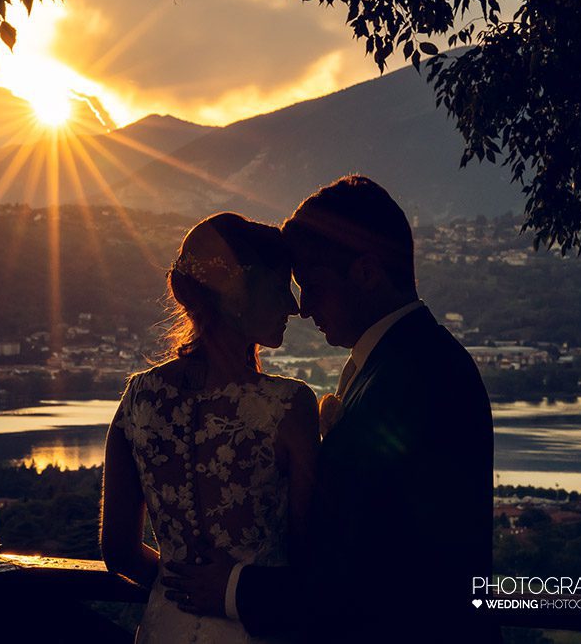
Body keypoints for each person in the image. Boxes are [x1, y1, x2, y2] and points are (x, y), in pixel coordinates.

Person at [163, 175, 497, 642]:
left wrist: (234, 588)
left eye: (313, 285)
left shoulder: (415, 379)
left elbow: (376, 575)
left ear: (366, 273)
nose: (302, 308)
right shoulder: (403, 363)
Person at [101, 212, 320, 643]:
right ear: (239, 293)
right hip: (258, 629)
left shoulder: (139, 399)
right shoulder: (288, 406)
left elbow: (119, 552)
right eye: (280, 287)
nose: (293, 306)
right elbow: (311, 556)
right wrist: (230, 594)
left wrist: (179, 588)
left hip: (166, 625)